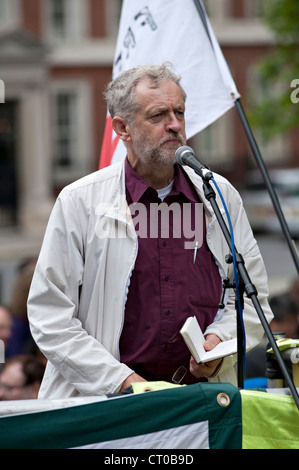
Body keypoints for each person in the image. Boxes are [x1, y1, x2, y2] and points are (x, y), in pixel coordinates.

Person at [27, 63, 273, 399]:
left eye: (179, 112)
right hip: (109, 404)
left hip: (201, 402)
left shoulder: (220, 194)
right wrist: (123, 382)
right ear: (123, 128)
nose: (174, 125)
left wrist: (219, 343)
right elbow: (50, 316)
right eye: (158, 115)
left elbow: (250, 299)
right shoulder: (80, 201)